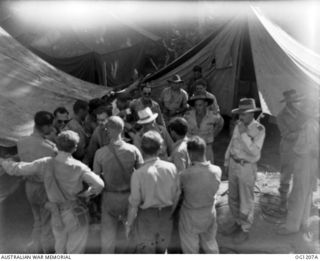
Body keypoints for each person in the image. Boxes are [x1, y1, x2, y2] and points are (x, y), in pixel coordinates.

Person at [1, 130, 104, 254]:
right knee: (75, 250)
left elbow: (17, 169)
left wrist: (4, 161)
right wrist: (86, 193)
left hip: (55, 213)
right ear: (74, 148)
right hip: (75, 211)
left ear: (57, 145)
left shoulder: (45, 163)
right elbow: (99, 185)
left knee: (59, 247)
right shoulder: (79, 167)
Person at [93, 116, 143, 253]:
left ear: (108, 131)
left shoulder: (100, 153)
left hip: (110, 197)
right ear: (121, 129)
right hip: (129, 197)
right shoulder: (133, 151)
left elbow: (95, 180)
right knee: (128, 235)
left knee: (108, 238)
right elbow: (142, 175)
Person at [125, 131, 180, 253]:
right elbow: (177, 194)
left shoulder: (138, 174)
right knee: (162, 251)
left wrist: (129, 225)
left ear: (142, 149)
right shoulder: (171, 168)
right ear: (160, 148)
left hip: (146, 218)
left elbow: (134, 203)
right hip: (167, 216)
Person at [224, 98, 265, 243]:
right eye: (240, 113)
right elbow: (232, 144)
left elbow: (254, 152)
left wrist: (243, 134)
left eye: (245, 113)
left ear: (252, 114)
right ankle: (237, 222)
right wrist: (226, 160)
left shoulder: (259, 129)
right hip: (234, 164)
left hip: (246, 166)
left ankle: (245, 228)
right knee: (233, 197)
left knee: (246, 199)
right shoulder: (239, 125)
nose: (241, 116)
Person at [16, 111, 58, 253]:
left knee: (37, 221)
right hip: (44, 188)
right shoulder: (50, 148)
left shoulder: (21, 142)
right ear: (44, 126)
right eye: (50, 126)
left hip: (29, 187)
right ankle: (47, 254)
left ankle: (34, 251)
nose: (52, 129)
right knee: (47, 225)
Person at [278, 97, 319, 235]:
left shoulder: (308, 126)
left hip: (304, 160)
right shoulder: (313, 124)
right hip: (311, 161)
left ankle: (292, 226)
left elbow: (303, 148)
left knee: (298, 193)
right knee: (306, 193)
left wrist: (296, 151)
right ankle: (303, 222)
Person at [179, 136, 221, 253]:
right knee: (210, 242)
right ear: (204, 150)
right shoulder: (217, 170)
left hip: (191, 216)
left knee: (190, 247)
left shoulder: (185, 175)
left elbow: (178, 192)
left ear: (190, 154)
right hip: (209, 212)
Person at [276, 89, 304, 210]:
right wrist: (302, 133)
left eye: (297, 100)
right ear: (287, 102)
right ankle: (283, 201)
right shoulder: (281, 116)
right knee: (286, 174)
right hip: (288, 148)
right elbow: (287, 134)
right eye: (293, 101)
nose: (296, 103)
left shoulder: (302, 113)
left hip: (301, 148)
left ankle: (296, 201)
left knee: (300, 173)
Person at [184, 92, 221, 163]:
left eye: (200, 105)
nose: (198, 108)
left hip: (207, 147)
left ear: (205, 104)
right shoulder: (188, 115)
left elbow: (220, 123)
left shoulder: (212, 115)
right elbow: (184, 127)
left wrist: (213, 134)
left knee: (207, 170)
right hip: (192, 148)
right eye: (196, 105)